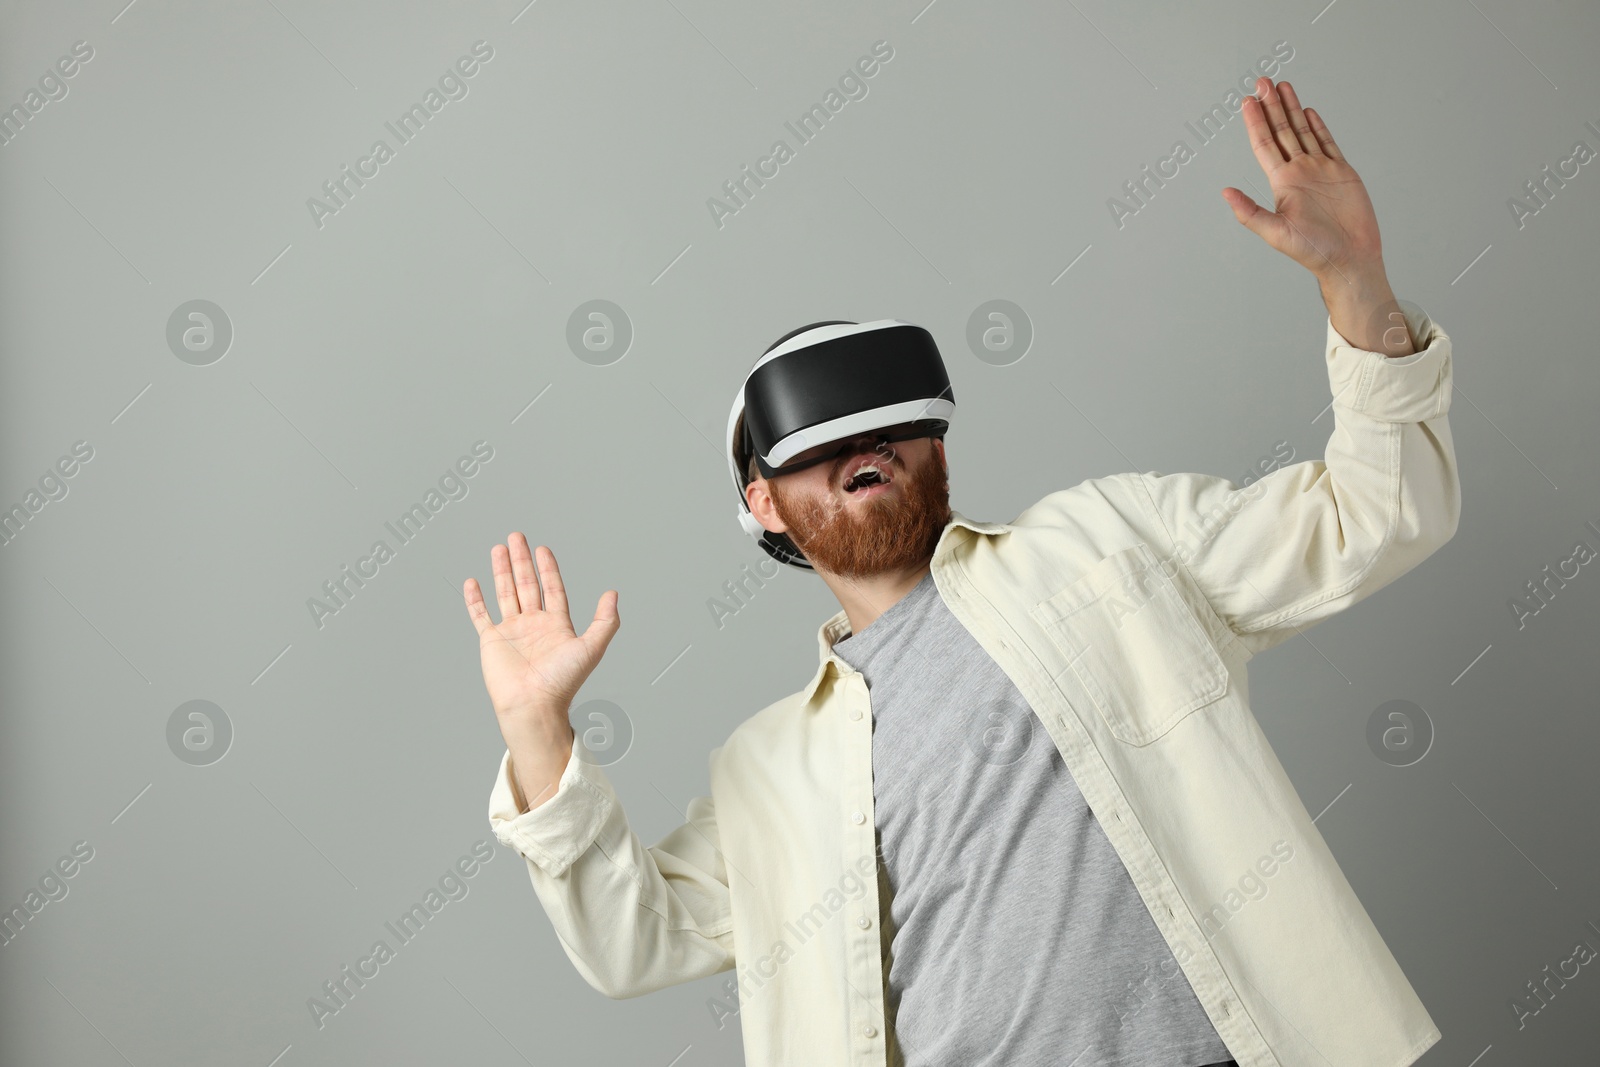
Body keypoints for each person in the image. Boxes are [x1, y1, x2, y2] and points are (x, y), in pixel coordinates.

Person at [463, 77, 1457, 1067]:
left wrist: (1354, 282)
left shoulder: (1106, 539)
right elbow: (634, 941)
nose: (867, 443)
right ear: (762, 504)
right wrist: (537, 732)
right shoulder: (765, 771)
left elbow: (1377, 513)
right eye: (817, 444)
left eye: (894, 422)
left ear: (937, 443)